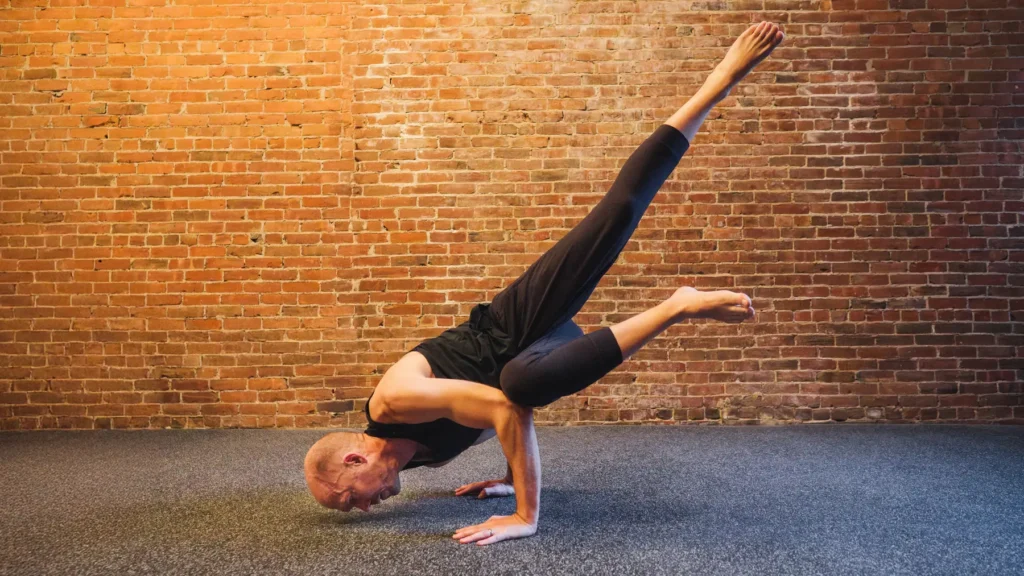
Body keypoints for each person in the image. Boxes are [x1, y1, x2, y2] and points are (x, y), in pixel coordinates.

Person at [304, 21, 786, 546]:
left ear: (354, 460)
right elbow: (501, 414)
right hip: (538, 358)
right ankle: (674, 307)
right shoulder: (417, 457)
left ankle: (720, 82)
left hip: (515, 324)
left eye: (350, 497)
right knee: (520, 385)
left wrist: (523, 514)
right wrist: (510, 481)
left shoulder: (394, 403)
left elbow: (500, 409)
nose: (364, 507)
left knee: (616, 214)